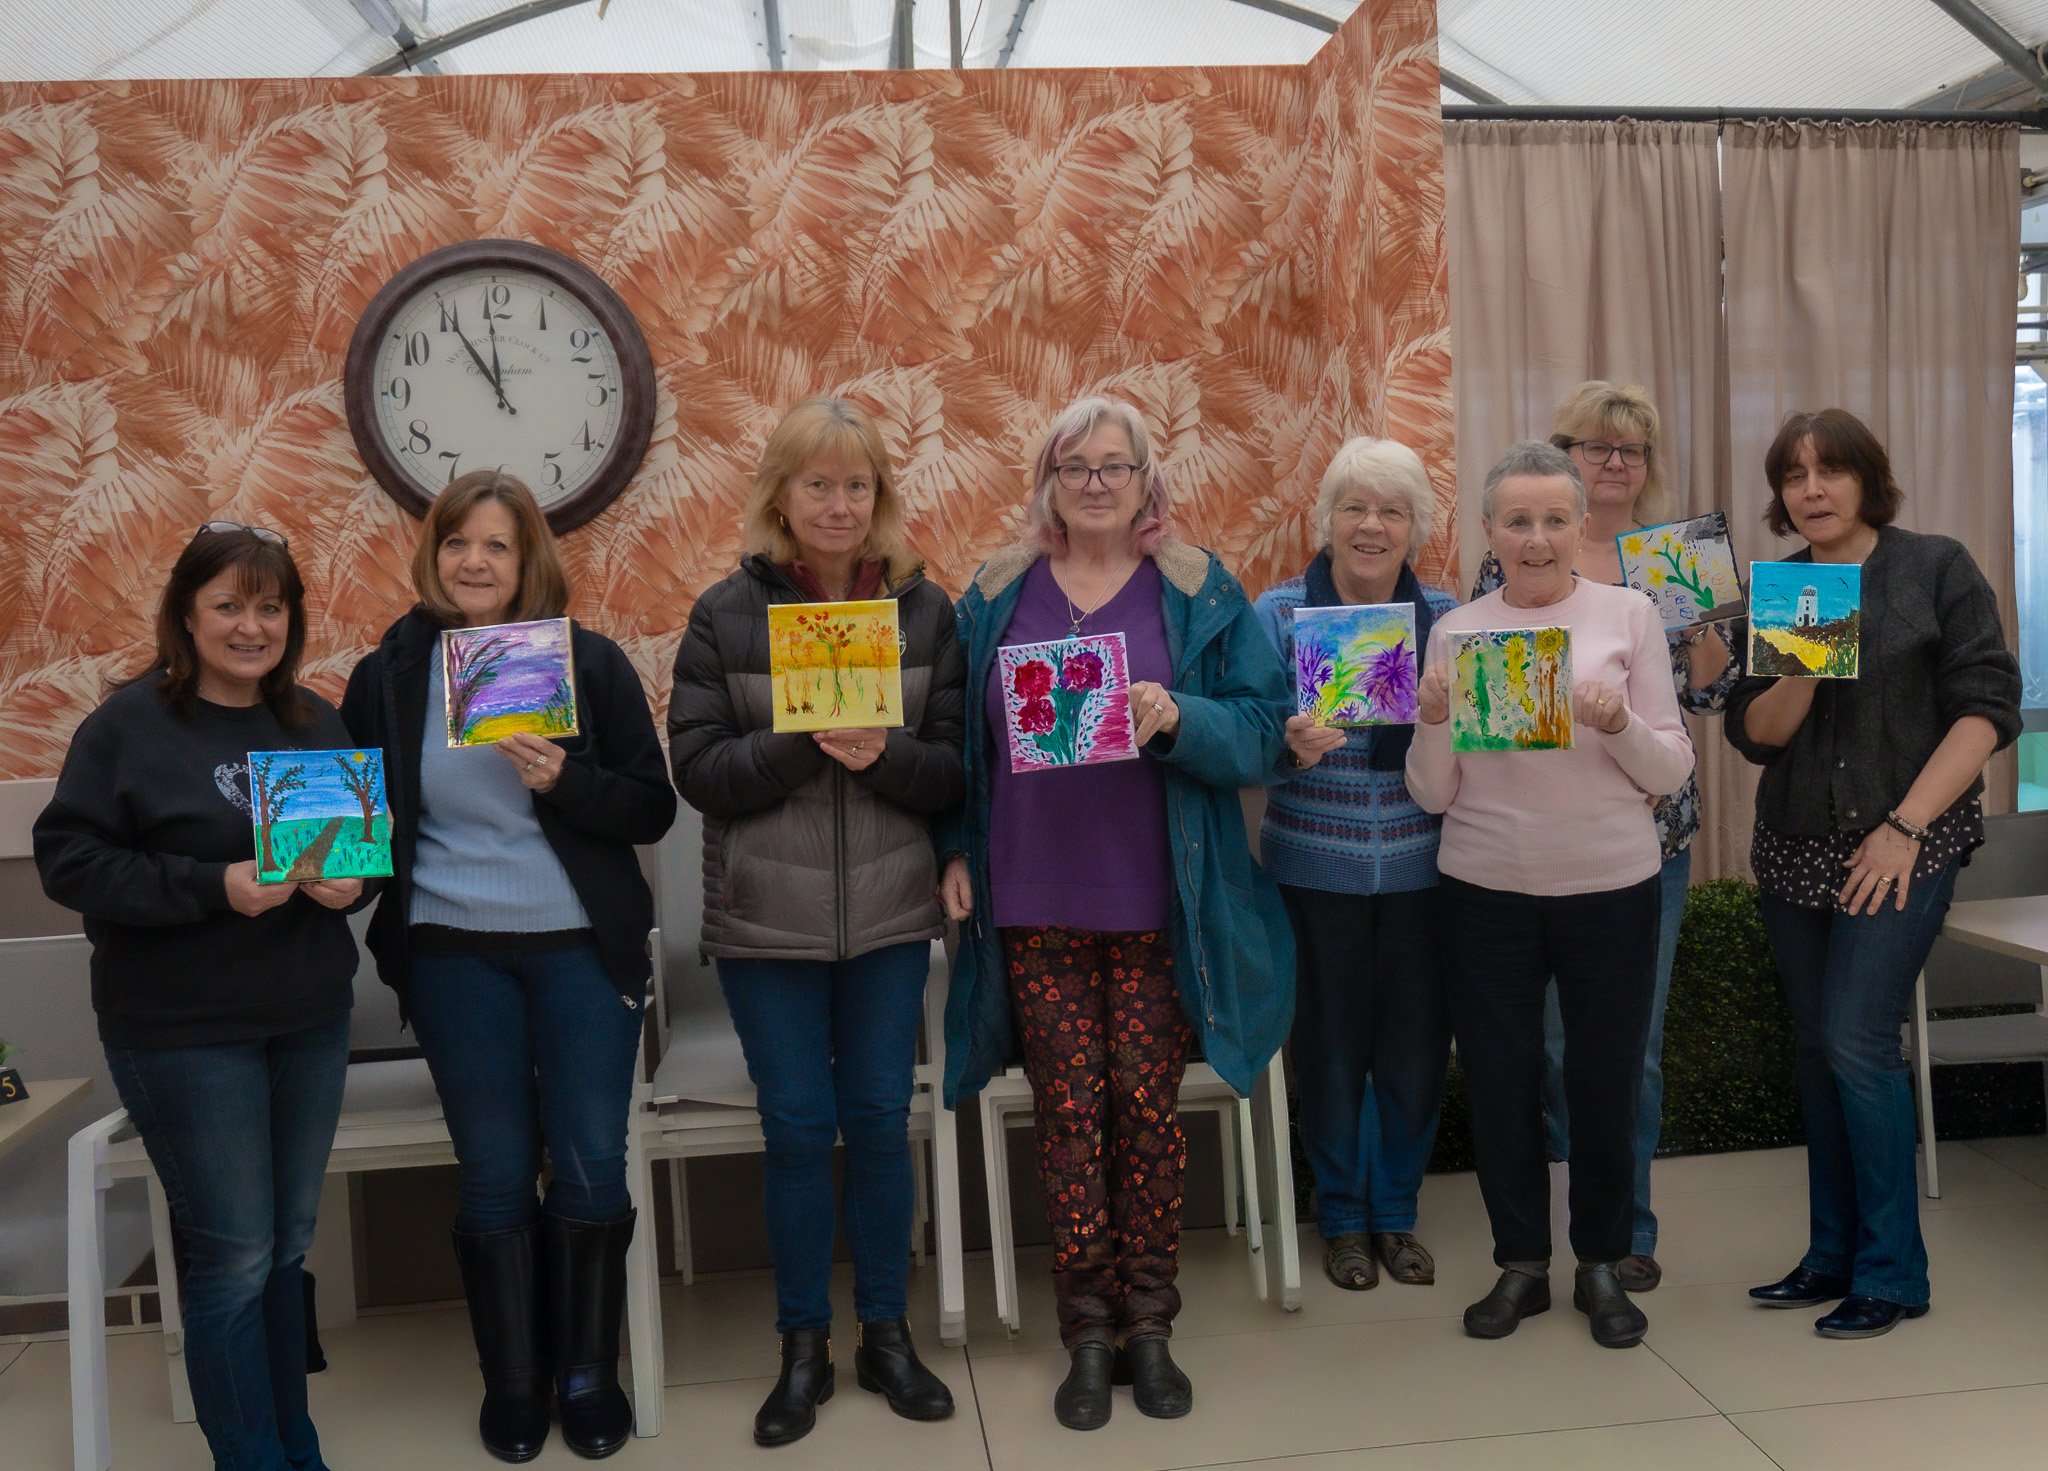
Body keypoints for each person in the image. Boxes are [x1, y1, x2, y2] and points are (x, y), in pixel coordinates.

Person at [939, 395, 1293, 1431]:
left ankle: (1150, 1325)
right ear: (1048, 483)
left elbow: (1265, 729)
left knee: (1144, 1114)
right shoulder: (995, 594)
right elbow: (964, 745)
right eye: (1074, 466)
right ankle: (1085, 1332)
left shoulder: (1196, 589)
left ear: (1147, 483)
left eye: (1114, 465)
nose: (1094, 482)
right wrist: (955, 848)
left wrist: (1182, 716)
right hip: (1034, 896)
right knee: (1067, 1118)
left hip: (1154, 899)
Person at [342, 471, 675, 1462]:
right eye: (457, 543)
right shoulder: (390, 674)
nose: (474, 562)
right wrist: (318, 869)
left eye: (496, 545)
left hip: (578, 945)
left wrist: (564, 779)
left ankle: (585, 1374)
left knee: (586, 1162)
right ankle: (516, 1380)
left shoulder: (586, 664)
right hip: (451, 951)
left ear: (529, 560)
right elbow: (362, 838)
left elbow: (648, 809)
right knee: (491, 1175)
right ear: (433, 555)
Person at [35, 524, 364, 1471]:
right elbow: (70, 860)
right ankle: (251, 1458)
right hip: (182, 1030)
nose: (251, 625)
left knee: (286, 1244)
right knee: (232, 1257)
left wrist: (354, 883)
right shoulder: (128, 725)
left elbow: (355, 852)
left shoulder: (312, 720)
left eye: (271, 606)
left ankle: (293, 1444)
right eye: (229, 604)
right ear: (187, 613)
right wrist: (211, 885)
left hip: (305, 1016)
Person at [668, 396, 963, 1446]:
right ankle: (802, 1348)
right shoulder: (722, 614)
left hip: (888, 918)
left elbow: (954, 770)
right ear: (779, 497)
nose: (838, 504)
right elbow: (696, 774)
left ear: (878, 497)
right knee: (796, 1131)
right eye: (817, 484)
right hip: (764, 926)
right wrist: (806, 735)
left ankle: (886, 1334)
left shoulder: (925, 611)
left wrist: (882, 749)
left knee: (880, 1123)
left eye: (857, 484)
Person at [1727, 409, 2018, 1339]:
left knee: (1857, 1041)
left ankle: (1893, 1272)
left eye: (1830, 471)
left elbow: (1985, 711)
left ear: (1867, 479)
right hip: (1795, 849)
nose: (1811, 489)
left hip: (1908, 843)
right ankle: (1831, 1255)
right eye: (1794, 475)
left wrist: (1903, 825)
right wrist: (1806, 665)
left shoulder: (1936, 566)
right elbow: (1756, 738)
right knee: (1819, 1054)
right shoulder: (1780, 588)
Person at [1409, 440, 1693, 1350]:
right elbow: (1431, 794)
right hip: (1484, 889)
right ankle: (1521, 1264)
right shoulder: (1458, 630)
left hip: (1611, 886)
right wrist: (1433, 720)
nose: (1536, 539)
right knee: (1498, 1080)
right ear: (1488, 530)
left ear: (1580, 527)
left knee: (1603, 1080)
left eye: (1554, 520)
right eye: (1517, 521)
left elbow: (1673, 764)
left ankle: (1602, 1263)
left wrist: (1616, 725)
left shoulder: (1630, 615)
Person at [1469, 381, 1737, 1290]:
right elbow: (1485, 709)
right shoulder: (1512, 561)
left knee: (1631, 1050)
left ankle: (1629, 1233)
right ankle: (1552, 1233)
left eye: (1634, 451)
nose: (1617, 463)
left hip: (1647, 842)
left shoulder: (1673, 565)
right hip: (1528, 849)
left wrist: (1712, 669)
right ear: (1563, 458)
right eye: (1598, 446)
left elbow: (1701, 709)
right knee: (1546, 1049)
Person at [1253, 437, 1456, 1293]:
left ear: (1418, 530)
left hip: (1426, 872)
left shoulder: (1446, 616)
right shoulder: (1275, 614)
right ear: (1326, 519)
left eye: (1393, 511)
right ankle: (1339, 1214)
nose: (1372, 526)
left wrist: (1448, 718)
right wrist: (1285, 744)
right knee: (1329, 1049)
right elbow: (1240, 743)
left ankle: (1397, 1211)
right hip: (1312, 868)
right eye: (1355, 507)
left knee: (1413, 1051)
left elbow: (1485, 751)